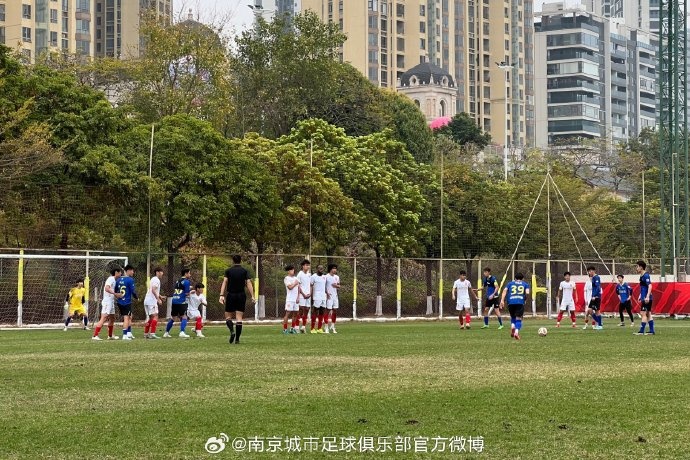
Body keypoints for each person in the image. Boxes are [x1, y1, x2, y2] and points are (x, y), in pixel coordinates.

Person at [219, 255, 255, 344]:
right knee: (239, 317)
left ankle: (232, 331)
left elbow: (224, 282)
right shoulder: (244, 271)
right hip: (241, 295)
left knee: (228, 316)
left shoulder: (228, 271)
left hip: (231, 294)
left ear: (233, 261)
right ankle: (237, 339)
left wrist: (221, 295)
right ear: (240, 261)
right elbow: (249, 283)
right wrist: (253, 296)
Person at [92, 267, 123, 341]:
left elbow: (111, 291)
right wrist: (115, 293)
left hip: (111, 302)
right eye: (120, 272)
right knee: (104, 317)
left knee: (112, 318)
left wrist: (117, 295)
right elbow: (106, 288)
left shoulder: (114, 280)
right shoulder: (111, 279)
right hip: (107, 302)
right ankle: (95, 335)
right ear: (116, 272)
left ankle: (110, 335)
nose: (121, 274)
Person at [500, 273, 530, 341]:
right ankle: (516, 332)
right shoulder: (525, 284)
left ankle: (512, 325)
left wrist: (502, 300)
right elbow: (527, 293)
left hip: (511, 302)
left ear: (515, 278)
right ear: (522, 278)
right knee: (519, 318)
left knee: (513, 317)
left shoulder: (510, 283)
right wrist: (525, 299)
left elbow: (504, 290)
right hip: (520, 302)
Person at [164, 268, 193, 339]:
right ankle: (182, 332)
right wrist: (191, 291)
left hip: (174, 301)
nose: (190, 275)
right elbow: (186, 293)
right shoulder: (187, 281)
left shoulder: (178, 281)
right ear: (186, 274)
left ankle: (166, 332)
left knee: (173, 318)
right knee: (184, 316)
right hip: (181, 302)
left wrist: (188, 288)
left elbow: (180, 289)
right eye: (189, 273)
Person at [115, 265, 138, 340]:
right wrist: (136, 297)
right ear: (128, 271)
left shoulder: (118, 280)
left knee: (130, 316)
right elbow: (133, 291)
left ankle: (129, 333)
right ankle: (125, 335)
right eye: (132, 271)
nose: (133, 272)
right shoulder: (130, 280)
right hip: (126, 302)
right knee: (126, 318)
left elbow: (115, 290)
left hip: (120, 301)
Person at [143, 267, 165, 339]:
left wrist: (160, 296)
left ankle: (146, 333)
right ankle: (152, 333)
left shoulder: (153, 279)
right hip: (151, 301)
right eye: (161, 272)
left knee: (151, 318)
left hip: (147, 300)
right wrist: (158, 299)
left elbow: (153, 290)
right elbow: (153, 290)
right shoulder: (156, 280)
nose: (162, 273)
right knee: (155, 316)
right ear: (157, 272)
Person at [635, 260, 655, 335]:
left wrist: (647, 297)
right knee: (648, 313)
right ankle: (651, 331)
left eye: (637, 266)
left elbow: (650, 286)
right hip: (644, 297)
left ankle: (641, 331)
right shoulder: (641, 276)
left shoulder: (646, 275)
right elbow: (643, 287)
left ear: (641, 267)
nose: (636, 268)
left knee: (642, 313)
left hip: (647, 298)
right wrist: (640, 295)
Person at [583, 266, 603, 330]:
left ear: (593, 271)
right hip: (593, 297)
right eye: (588, 271)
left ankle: (600, 325)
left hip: (596, 297)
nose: (589, 272)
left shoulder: (596, 277)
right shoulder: (593, 278)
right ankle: (599, 322)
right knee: (589, 310)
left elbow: (597, 287)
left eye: (590, 271)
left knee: (597, 311)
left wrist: (594, 295)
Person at [282, 265, 300, 334]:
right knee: (288, 313)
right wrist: (295, 283)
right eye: (291, 270)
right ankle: (285, 329)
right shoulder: (286, 278)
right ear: (288, 271)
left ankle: (292, 328)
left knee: (295, 314)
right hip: (290, 299)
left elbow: (298, 288)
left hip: (296, 300)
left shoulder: (296, 278)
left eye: (293, 269)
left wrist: (298, 297)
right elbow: (290, 287)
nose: (293, 271)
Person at [310, 265, 327, 334]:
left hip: (323, 297)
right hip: (316, 296)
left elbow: (325, 286)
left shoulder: (324, 277)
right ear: (317, 269)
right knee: (315, 311)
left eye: (322, 269)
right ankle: (312, 328)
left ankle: (319, 328)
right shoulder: (313, 276)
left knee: (322, 311)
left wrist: (327, 293)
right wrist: (311, 295)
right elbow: (311, 286)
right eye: (320, 268)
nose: (321, 270)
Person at [296, 259, 312, 333]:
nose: (307, 266)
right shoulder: (300, 274)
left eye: (308, 265)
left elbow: (311, 285)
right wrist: (303, 294)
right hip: (302, 295)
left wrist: (310, 293)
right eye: (306, 265)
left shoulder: (309, 274)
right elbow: (298, 286)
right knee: (301, 310)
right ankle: (296, 327)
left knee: (307, 310)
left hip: (308, 296)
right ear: (303, 266)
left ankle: (303, 327)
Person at [324, 264, 340, 334]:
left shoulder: (337, 277)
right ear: (330, 269)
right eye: (333, 268)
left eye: (335, 268)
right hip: (329, 296)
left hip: (335, 296)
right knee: (327, 311)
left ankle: (333, 326)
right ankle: (326, 327)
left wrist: (336, 286)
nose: (335, 270)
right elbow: (323, 286)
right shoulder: (326, 277)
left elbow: (339, 285)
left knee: (335, 311)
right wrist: (326, 293)